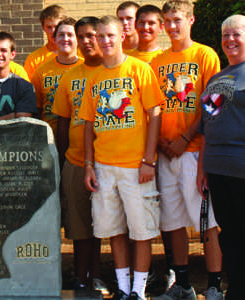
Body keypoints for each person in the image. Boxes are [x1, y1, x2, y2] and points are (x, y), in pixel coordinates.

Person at [79, 16, 162, 300]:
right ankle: (124, 289)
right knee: (113, 230)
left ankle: (139, 290)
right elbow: (89, 124)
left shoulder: (139, 69)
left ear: (122, 36)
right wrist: (89, 165)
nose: (105, 41)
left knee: (141, 231)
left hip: (135, 166)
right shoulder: (93, 78)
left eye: (110, 35)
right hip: (104, 167)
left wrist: (149, 159)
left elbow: (154, 114)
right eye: (100, 36)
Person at [150, 1, 223, 300]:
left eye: (177, 19)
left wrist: (187, 138)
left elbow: (213, 104)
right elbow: (152, 108)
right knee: (173, 222)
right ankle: (183, 285)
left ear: (190, 20)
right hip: (167, 154)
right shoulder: (156, 62)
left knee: (207, 222)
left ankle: (215, 286)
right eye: (167, 20)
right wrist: (162, 144)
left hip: (193, 150)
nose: (171, 26)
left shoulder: (205, 54)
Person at [52, 16, 106, 294]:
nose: (86, 42)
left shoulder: (114, 71)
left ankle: (100, 275)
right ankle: (81, 276)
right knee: (80, 224)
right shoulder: (70, 77)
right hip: (75, 160)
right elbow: (62, 122)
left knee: (106, 224)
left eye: (91, 35)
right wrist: (62, 161)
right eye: (81, 36)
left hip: (111, 160)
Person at [197, 14, 245, 300]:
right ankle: (236, 290)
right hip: (217, 168)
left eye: (236, 34)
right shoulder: (218, 79)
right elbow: (208, 124)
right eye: (225, 35)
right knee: (231, 235)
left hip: (242, 167)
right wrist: (202, 168)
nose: (230, 40)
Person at [32, 17, 84, 134]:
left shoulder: (87, 68)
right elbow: (37, 110)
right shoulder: (41, 71)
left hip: (80, 139)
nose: (65, 39)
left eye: (70, 35)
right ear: (54, 39)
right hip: (50, 139)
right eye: (61, 35)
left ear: (78, 39)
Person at [24, 5, 65, 78]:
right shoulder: (33, 59)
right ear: (43, 28)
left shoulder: (79, 54)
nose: (53, 31)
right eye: (49, 27)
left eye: (56, 26)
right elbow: (28, 88)